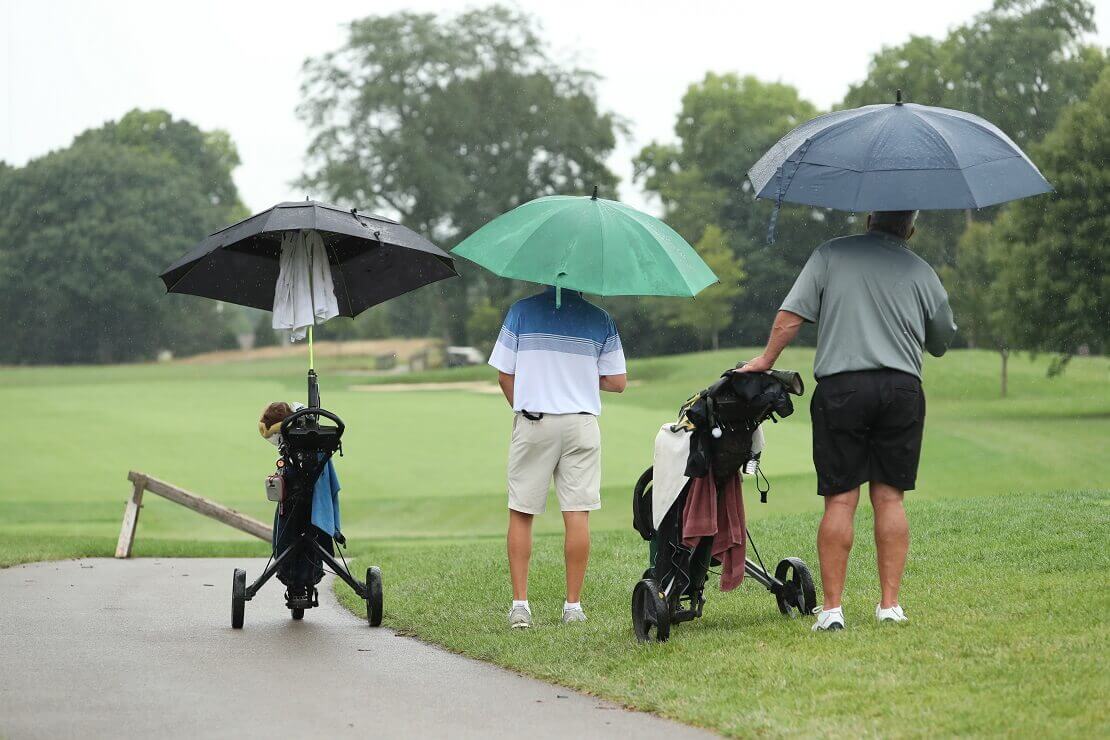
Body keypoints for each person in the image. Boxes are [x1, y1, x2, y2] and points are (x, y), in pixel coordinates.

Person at [740, 210, 956, 631]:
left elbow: (790, 316)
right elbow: (942, 340)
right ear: (909, 227)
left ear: (870, 217)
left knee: (841, 500)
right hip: (901, 390)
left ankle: (834, 611)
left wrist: (766, 360)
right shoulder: (921, 270)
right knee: (890, 498)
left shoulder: (829, 255)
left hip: (842, 390)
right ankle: (889, 606)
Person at [489, 286, 627, 629]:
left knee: (522, 511)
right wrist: (579, 376)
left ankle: (521, 606)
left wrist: (525, 407)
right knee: (577, 513)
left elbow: (505, 374)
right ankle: (573, 608)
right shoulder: (601, 318)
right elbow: (618, 381)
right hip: (581, 423)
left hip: (535, 420)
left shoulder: (521, 311)